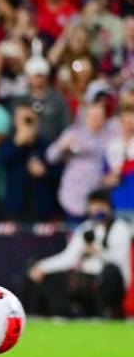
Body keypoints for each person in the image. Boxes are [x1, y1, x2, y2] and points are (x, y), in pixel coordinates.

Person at [29, 190, 131, 318]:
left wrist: (97, 252)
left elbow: (118, 261)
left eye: (101, 205)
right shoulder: (86, 228)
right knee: (55, 277)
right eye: (94, 205)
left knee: (110, 272)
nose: (97, 210)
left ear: (109, 207)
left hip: (113, 283)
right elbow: (68, 258)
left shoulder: (120, 227)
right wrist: (42, 267)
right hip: (88, 280)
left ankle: (107, 313)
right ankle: (65, 315)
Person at [46, 101, 114, 221]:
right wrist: (62, 146)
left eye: (100, 117)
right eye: (93, 116)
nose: (96, 120)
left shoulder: (108, 137)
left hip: (96, 198)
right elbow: (50, 156)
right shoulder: (73, 133)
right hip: (72, 198)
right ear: (86, 117)